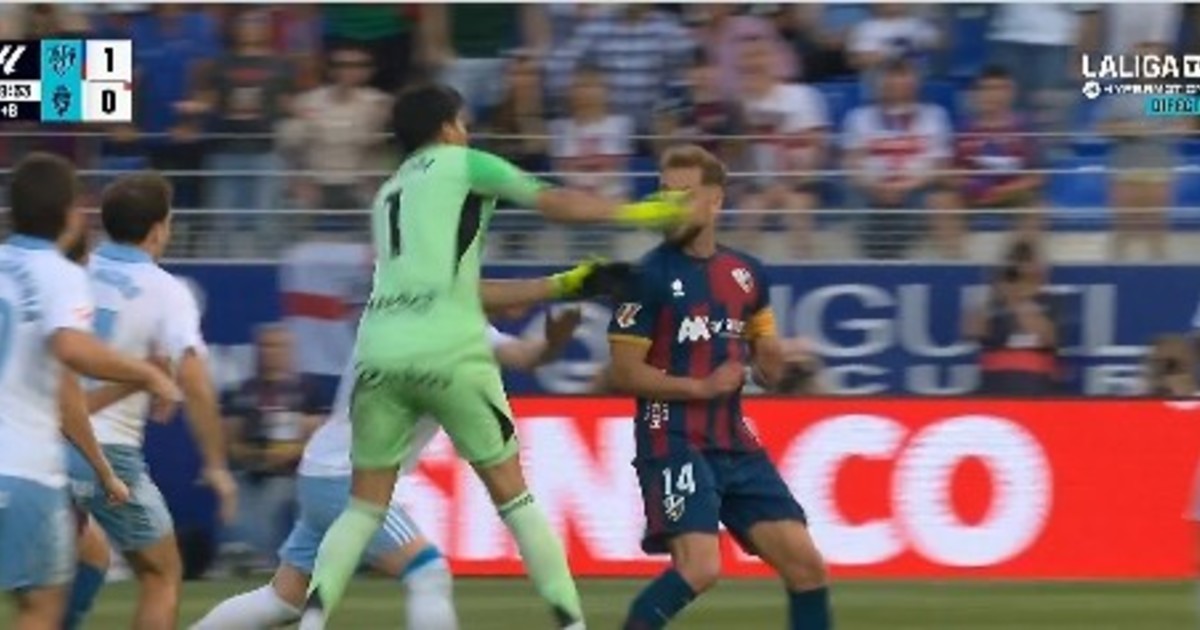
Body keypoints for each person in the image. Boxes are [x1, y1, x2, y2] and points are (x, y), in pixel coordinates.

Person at [296, 83, 693, 630]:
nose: (466, 132)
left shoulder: (388, 193)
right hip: (449, 350)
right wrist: (640, 212)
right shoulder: (463, 163)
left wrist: (564, 284)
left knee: (364, 508)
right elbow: (555, 203)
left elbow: (458, 287)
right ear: (447, 128)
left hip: (379, 348)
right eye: (462, 122)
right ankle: (572, 625)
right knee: (514, 499)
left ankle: (312, 623)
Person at [194, 306, 584, 630]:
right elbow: (517, 353)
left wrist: (550, 340)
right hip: (347, 476)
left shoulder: (396, 310)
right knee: (427, 573)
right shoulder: (446, 330)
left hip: (321, 469)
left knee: (283, 599)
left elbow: (523, 352)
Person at [607, 144, 831, 629]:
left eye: (685, 195)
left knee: (806, 567)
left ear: (715, 202)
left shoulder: (747, 274)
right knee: (701, 567)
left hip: (733, 439)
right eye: (665, 194)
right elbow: (623, 373)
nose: (672, 205)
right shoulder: (646, 277)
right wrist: (702, 388)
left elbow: (766, 364)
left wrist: (774, 361)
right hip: (671, 437)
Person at [0, 153, 181, 630]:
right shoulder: (60, 275)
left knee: (91, 556)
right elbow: (70, 355)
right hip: (24, 467)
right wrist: (148, 374)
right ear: (71, 213)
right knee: (41, 607)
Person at [63, 173, 238, 630]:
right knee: (162, 574)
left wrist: (144, 377)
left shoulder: (73, 272)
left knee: (91, 556)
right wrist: (216, 465)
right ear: (159, 229)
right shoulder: (166, 291)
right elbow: (195, 381)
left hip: (43, 443)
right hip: (105, 453)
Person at [961, 239, 1062, 396]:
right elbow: (972, 331)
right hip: (995, 386)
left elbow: (1048, 338)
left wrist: (1017, 301)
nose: (1022, 277)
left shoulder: (1050, 302)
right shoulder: (992, 304)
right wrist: (996, 293)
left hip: (1035, 387)